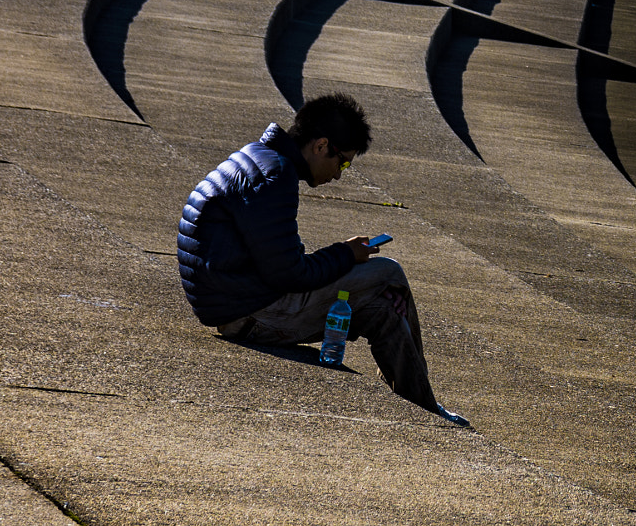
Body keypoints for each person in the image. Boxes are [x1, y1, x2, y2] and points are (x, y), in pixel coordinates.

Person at [176, 93, 466, 425]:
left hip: (233, 299)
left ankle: (422, 407)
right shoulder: (276, 177)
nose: (340, 175)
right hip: (247, 313)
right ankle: (427, 406)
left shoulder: (257, 157)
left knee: (383, 310)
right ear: (320, 146)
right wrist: (346, 254)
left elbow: (278, 265)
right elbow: (290, 274)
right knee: (389, 272)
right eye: (343, 162)